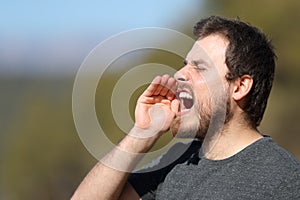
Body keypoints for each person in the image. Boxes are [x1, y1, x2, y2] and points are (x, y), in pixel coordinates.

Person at [71, 16, 300, 199]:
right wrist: (142, 133)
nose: (179, 75)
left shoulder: (285, 179)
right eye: (184, 65)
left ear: (240, 87)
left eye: (199, 68)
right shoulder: (177, 160)